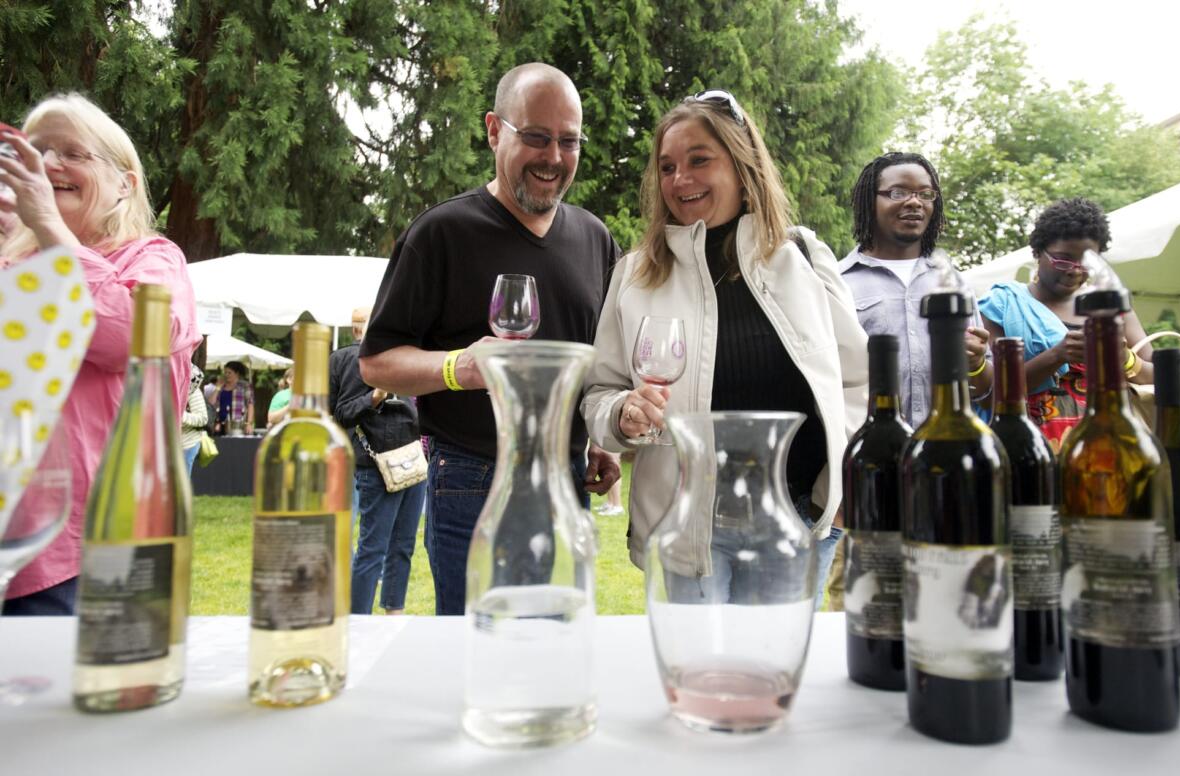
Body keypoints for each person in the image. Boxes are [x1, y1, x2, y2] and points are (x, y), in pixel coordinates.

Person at [580, 90, 869, 608]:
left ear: (742, 164)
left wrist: (841, 480)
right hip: (684, 529)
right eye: (667, 167)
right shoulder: (635, 273)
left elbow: (857, 380)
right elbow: (601, 393)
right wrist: (622, 414)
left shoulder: (802, 256)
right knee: (692, 677)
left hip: (795, 523)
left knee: (771, 675)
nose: (680, 180)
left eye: (699, 160)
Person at [359, 63, 622, 615]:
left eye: (568, 141)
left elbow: (596, 358)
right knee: (480, 646)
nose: (553, 157)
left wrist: (598, 439)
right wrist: (459, 367)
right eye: (536, 137)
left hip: (567, 477)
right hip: (474, 480)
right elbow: (377, 363)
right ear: (493, 130)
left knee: (558, 641)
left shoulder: (595, 238)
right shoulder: (441, 233)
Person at [0, 93, 199, 615]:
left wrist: (47, 226)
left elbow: (132, 336)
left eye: (72, 152)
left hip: (86, 554)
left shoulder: (153, 259)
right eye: (35, 151)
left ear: (123, 184)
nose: (46, 165)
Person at [978, 198, 1154, 450]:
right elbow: (990, 394)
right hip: (1029, 450)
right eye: (1062, 260)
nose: (1074, 271)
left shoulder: (1111, 310)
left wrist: (1126, 359)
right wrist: (1057, 356)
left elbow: (1160, 378)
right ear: (1038, 252)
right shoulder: (1001, 305)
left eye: (1085, 262)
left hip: (1107, 450)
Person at [838, 152, 994, 429]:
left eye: (925, 194)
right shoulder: (839, 283)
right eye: (898, 192)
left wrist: (977, 362)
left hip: (942, 451)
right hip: (868, 448)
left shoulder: (953, 284)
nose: (914, 202)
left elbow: (984, 391)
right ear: (869, 201)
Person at [330, 307, 427, 615]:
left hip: (411, 460)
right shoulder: (351, 359)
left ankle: (393, 611)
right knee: (373, 548)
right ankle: (358, 619)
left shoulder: (405, 357)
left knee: (403, 545)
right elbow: (341, 413)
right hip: (376, 465)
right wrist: (374, 397)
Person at [208, 359, 254, 435]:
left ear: (237, 373)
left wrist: (249, 423)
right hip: (219, 426)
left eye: (229, 373)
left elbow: (250, 405)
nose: (226, 375)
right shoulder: (221, 387)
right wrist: (217, 388)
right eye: (225, 372)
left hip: (237, 426)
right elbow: (210, 404)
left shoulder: (245, 386)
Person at [182, 365, 209, 472]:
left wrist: (180, 416)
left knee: (180, 485)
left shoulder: (193, 391)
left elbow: (203, 418)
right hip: (170, 444)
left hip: (187, 444)